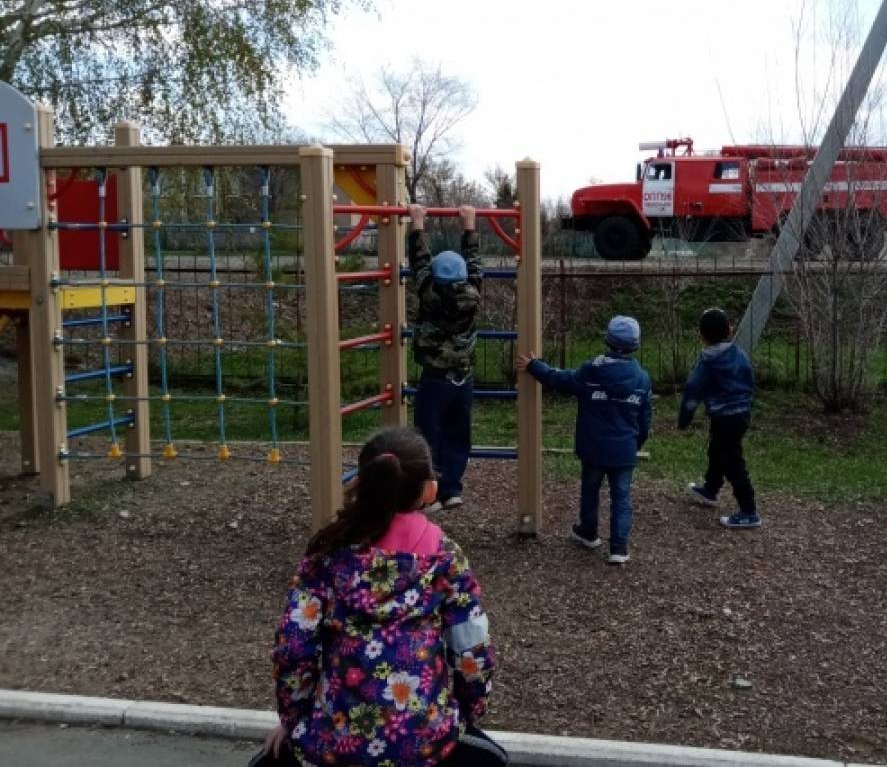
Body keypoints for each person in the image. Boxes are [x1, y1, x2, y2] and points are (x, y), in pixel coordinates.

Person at [260, 427, 507, 767]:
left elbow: (293, 646)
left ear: (363, 484)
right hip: (426, 742)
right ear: (430, 490)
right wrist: (465, 713)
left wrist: (294, 721)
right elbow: (472, 650)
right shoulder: (444, 559)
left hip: (333, 741)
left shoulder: (328, 554)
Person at [516, 316, 652, 565]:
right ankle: (619, 547)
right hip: (624, 450)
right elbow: (645, 420)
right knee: (621, 497)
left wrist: (535, 366)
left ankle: (589, 532)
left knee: (590, 490)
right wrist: (636, 443)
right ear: (636, 345)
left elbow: (562, 380)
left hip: (594, 448)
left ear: (607, 341)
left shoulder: (593, 372)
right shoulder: (642, 379)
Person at [409, 203, 482, 511]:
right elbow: (475, 264)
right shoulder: (473, 292)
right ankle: (452, 489)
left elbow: (419, 261)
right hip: (462, 379)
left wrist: (417, 223)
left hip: (435, 378)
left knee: (427, 435)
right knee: (458, 435)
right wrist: (469, 225)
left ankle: (431, 494)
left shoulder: (429, 292)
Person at [680, 307, 760, 528]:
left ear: (701, 335)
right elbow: (749, 381)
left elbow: (693, 390)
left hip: (724, 417)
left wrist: (685, 418)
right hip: (741, 414)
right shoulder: (740, 353)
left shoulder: (706, 361)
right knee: (717, 450)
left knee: (732, 461)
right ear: (730, 331)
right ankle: (710, 489)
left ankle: (749, 510)